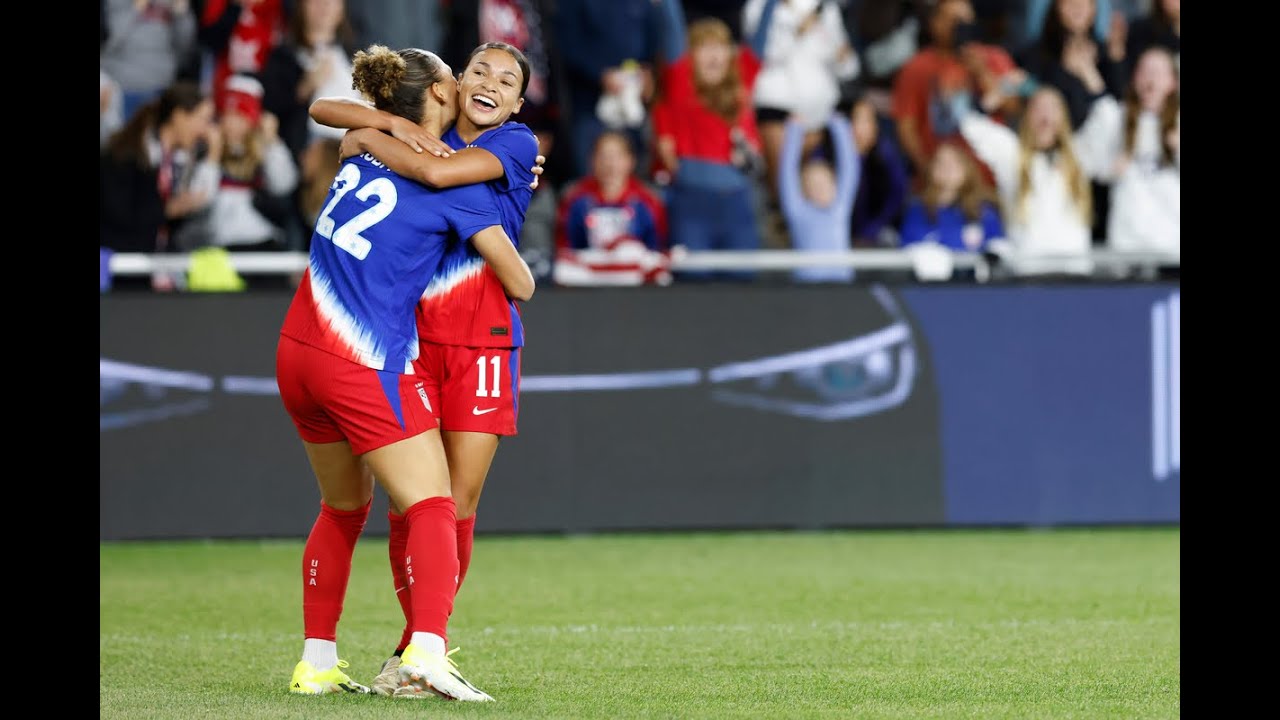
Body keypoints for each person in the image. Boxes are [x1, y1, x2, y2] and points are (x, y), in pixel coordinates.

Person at [276, 44, 533, 702]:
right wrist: (404, 133)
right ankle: (423, 650)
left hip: (459, 343)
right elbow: (516, 273)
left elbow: (341, 121)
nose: (485, 83)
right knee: (426, 505)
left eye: (506, 80)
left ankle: (360, 658)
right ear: (444, 93)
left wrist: (383, 132)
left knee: (427, 506)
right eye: (472, 71)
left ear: (518, 102)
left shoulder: (510, 143)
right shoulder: (442, 162)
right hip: (388, 347)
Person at [776, 113, 859, 283]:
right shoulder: (798, 212)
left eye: (825, 183)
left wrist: (839, 126)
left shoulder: (839, 208)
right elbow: (787, 174)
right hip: (808, 287)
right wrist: (794, 132)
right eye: (814, 185)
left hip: (842, 285)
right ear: (805, 191)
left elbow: (850, 168)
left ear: (835, 185)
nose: (821, 189)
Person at [899, 140, 1004, 253]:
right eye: (941, 162)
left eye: (955, 162)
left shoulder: (984, 211)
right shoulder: (917, 209)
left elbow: (997, 248)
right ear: (932, 169)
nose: (948, 168)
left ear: (967, 167)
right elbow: (909, 245)